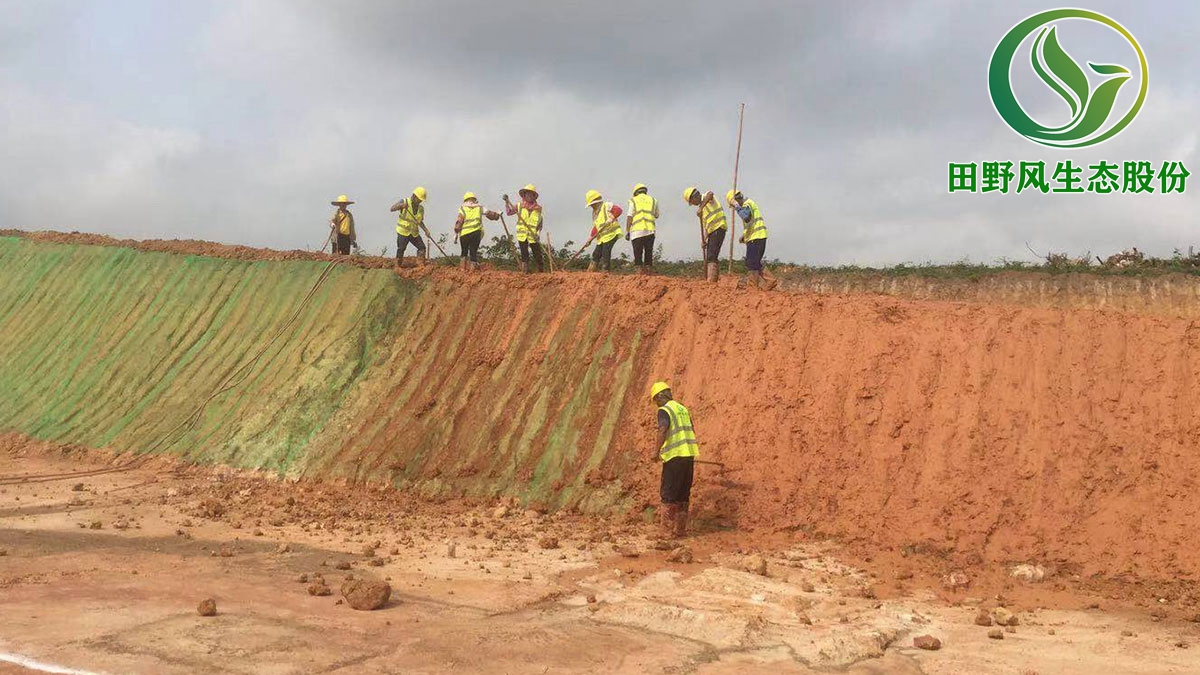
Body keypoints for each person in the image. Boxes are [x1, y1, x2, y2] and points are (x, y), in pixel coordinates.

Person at [649, 381, 699, 538]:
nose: (657, 404)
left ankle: (666, 532)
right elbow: (691, 429)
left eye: (656, 400)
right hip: (688, 455)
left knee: (668, 493)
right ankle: (680, 530)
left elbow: (663, 429)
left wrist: (656, 452)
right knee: (683, 494)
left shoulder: (665, 410)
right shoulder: (682, 409)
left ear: (660, 396)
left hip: (674, 457)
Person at [727, 189, 778, 290]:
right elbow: (751, 223)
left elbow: (746, 217)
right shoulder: (748, 204)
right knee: (754, 262)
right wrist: (744, 236)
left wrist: (736, 205)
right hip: (757, 237)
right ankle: (770, 281)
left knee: (751, 263)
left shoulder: (747, 204)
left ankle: (752, 286)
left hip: (756, 237)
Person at [683, 187, 727, 282]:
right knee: (711, 255)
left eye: (692, 202)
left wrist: (701, 207)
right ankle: (712, 278)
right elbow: (706, 227)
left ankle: (711, 281)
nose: (694, 204)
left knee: (711, 256)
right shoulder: (702, 210)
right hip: (712, 231)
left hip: (718, 227)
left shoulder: (706, 197)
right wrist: (704, 240)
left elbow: (711, 193)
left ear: (693, 197)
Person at [503, 184, 546, 273]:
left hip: (533, 235)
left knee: (537, 253)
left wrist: (538, 233)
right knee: (524, 254)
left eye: (531, 194)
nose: (529, 196)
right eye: (527, 194)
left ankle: (541, 272)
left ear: (534, 196)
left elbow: (540, 223)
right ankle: (525, 271)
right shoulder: (519, 206)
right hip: (522, 234)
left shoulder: (538, 209)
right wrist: (507, 202)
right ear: (524, 195)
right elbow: (509, 212)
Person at [454, 192, 499, 272]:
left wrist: (457, 228)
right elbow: (490, 214)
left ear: (465, 200)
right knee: (473, 252)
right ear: (474, 199)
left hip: (464, 234)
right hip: (476, 233)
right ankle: (472, 272)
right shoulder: (479, 207)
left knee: (464, 251)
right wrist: (497, 215)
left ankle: (462, 270)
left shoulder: (462, 208)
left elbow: (459, 220)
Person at [584, 190, 623, 273]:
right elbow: (596, 227)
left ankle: (605, 271)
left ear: (596, 202)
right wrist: (590, 239)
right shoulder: (594, 213)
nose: (591, 206)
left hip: (612, 234)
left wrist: (611, 218)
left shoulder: (606, 205)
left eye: (592, 204)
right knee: (596, 253)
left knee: (606, 251)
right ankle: (590, 271)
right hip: (602, 237)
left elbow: (619, 210)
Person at [390, 186, 429, 266]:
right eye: (419, 199)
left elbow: (420, 221)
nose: (420, 201)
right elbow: (392, 208)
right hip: (403, 232)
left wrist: (426, 230)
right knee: (401, 249)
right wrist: (400, 206)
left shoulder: (421, 209)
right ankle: (397, 266)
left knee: (422, 248)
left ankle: (420, 266)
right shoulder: (404, 201)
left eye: (421, 200)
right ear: (414, 196)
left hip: (414, 233)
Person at [626, 183, 659, 274]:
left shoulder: (633, 200)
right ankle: (648, 273)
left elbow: (630, 216)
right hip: (650, 230)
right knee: (649, 251)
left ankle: (639, 273)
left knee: (638, 253)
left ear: (636, 192)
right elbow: (657, 215)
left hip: (637, 231)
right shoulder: (653, 200)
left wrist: (627, 231)